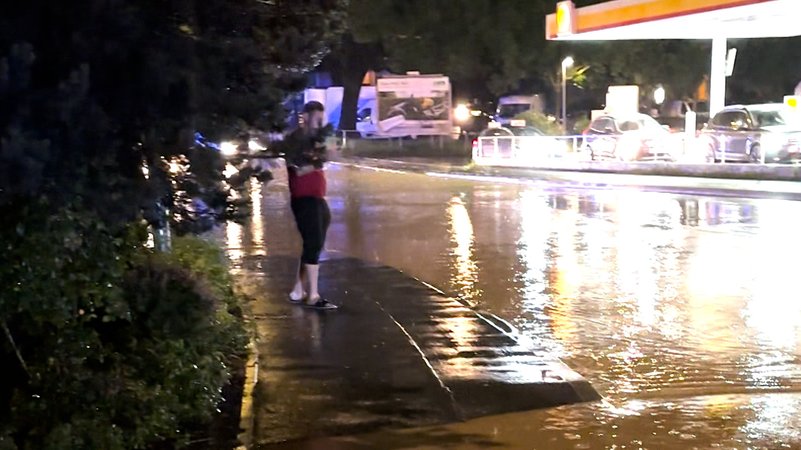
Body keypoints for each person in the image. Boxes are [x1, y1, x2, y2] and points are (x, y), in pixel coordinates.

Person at [285, 101, 337, 310]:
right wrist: (320, 160)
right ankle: (313, 296)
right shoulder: (295, 139)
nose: (319, 123)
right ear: (305, 117)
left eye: (322, 119)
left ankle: (299, 289)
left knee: (313, 243)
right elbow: (298, 169)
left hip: (318, 197)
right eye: (316, 119)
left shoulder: (318, 139)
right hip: (304, 198)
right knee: (313, 243)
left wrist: (328, 149)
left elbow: (332, 154)